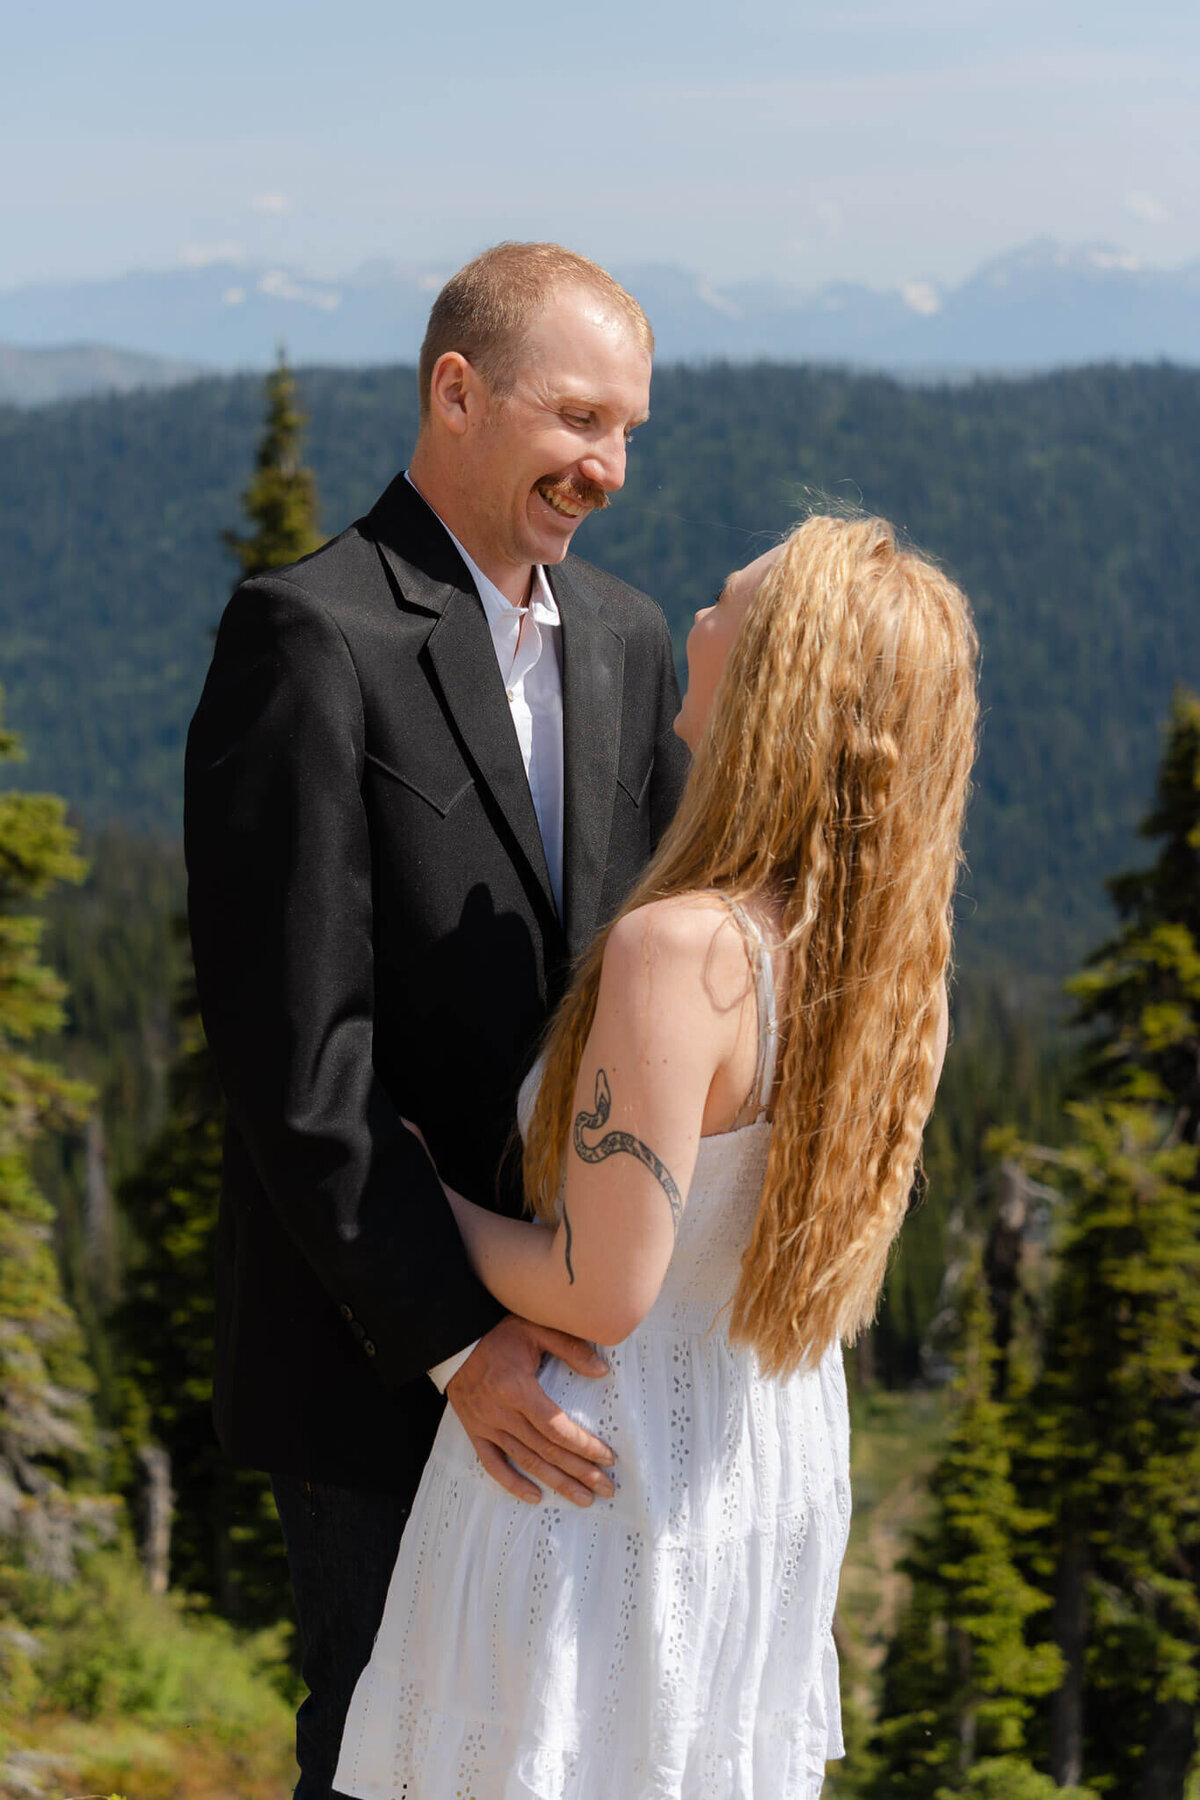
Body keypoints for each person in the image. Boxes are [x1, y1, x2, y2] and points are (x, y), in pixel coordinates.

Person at [334, 515, 980, 1799]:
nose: (693, 624)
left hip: (600, 1474)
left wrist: (421, 1193)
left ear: (782, 676)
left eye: (727, 607)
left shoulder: (683, 951)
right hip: (760, 1452)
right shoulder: (895, 971)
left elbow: (597, 1288)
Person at [184, 243, 690, 1799]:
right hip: (380, 1362)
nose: (607, 467)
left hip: (591, 1363)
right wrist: (459, 1344)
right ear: (456, 392)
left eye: (628, 431)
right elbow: (296, 1061)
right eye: (579, 418)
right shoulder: (308, 634)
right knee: (385, 1760)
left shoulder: (630, 639)